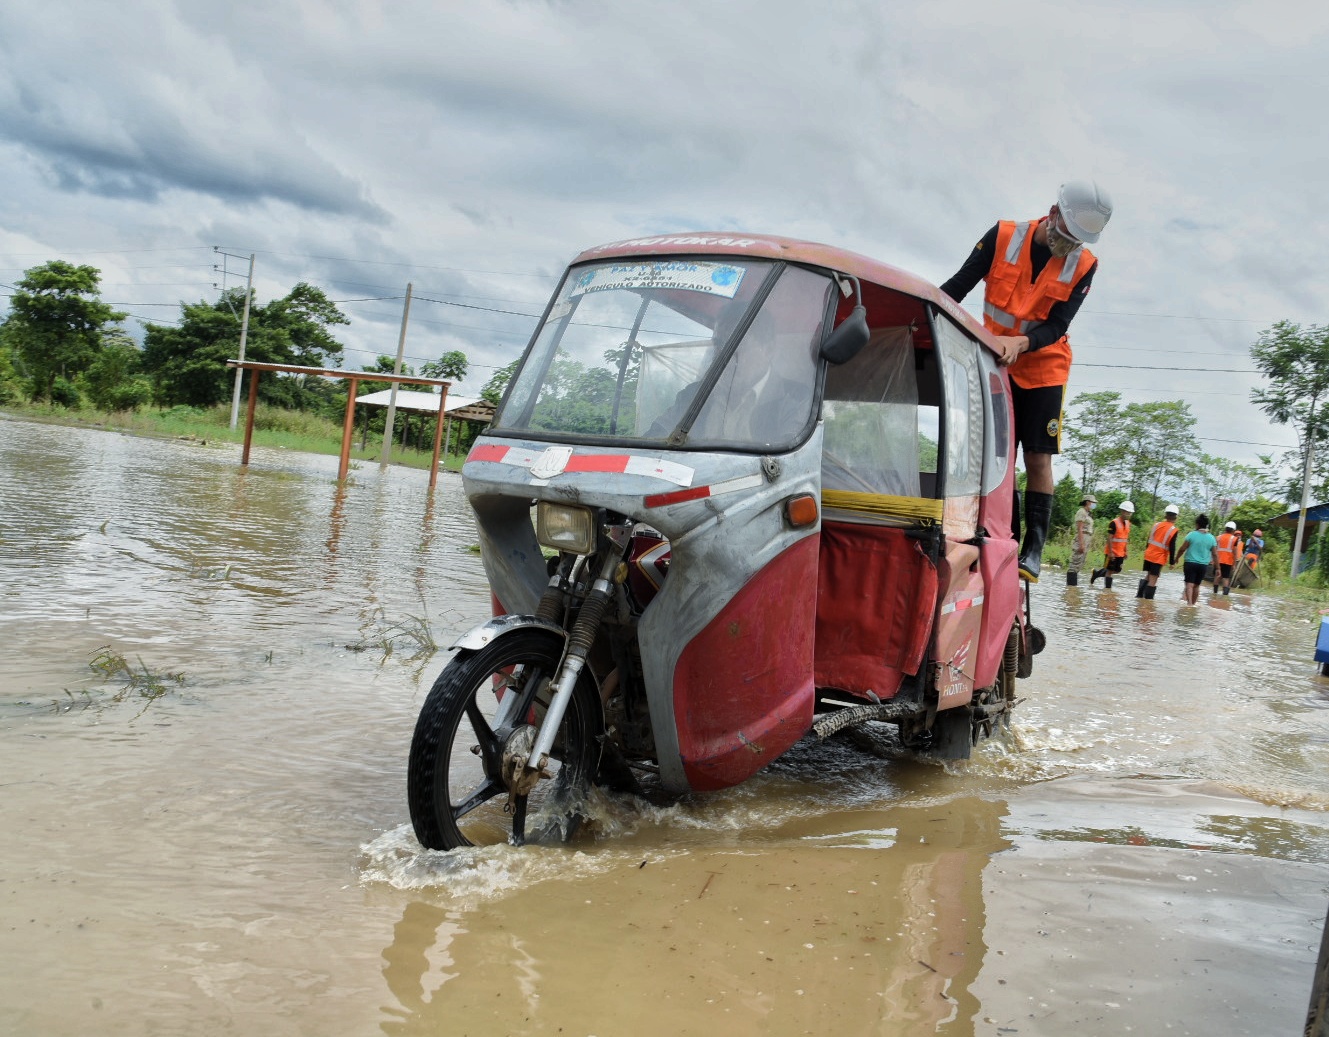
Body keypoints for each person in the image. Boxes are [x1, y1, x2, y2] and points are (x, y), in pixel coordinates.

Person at [940, 180, 1113, 583]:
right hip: (997, 362)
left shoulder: (1085, 265)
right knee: (998, 457)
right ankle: (1004, 536)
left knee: (1037, 457)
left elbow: (1057, 326)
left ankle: (1034, 547)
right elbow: (957, 287)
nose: (1070, 247)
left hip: (1044, 365)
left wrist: (1022, 342)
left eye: (1079, 242)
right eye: (1067, 236)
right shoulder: (1002, 236)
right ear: (1053, 213)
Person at [1174, 513, 1219, 606]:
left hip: (1190, 563)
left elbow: (1182, 549)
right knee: (1197, 586)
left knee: (1189, 585)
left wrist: (1177, 558)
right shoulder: (1211, 538)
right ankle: (1193, 604)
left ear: (1197, 524)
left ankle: (1189, 604)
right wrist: (1217, 568)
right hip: (1203, 566)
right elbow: (1215, 554)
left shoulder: (1191, 535)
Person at [1138, 504, 1180, 599]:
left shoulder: (1156, 525)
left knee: (1148, 575)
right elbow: (1172, 546)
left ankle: (1139, 596)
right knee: (1153, 579)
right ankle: (1147, 602)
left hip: (1149, 554)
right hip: (1158, 557)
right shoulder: (1173, 530)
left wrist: (1147, 551)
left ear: (1165, 515)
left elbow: (1148, 540)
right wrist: (1172, 562)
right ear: (1176, 517)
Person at [1090, 499, 1133, 588]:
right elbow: (1109, 538)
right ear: (1122, 511)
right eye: (1127, 512)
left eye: (1130, 513)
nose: (1128, 514)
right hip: (1112, 552)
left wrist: (1126, 551)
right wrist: (1110, 552)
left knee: (1117, 570)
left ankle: (1097, 573)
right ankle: (1108, 590)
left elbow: (1125, 539)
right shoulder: (1114, 523)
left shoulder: (1128, 524)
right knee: (1109, 571)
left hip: (1120, 552)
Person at [1067, 492, 1097, 585]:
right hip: (1081, 538)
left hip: (1086, 538)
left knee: (1080, 563)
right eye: (1093, 502)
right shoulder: (1081, 512)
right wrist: (1081, 544)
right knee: (1075, 563)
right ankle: (1071, 587)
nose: (1094, 504)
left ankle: (1073, 587)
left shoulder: (1088, 513)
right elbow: (1080, 529)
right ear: (1088, 502)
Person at [1215, 520, 1242, 596]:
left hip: (1218, 560)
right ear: (1233, 530)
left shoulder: (1218, 537)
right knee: (1226, 578)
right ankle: (1225, 595)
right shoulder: (1234, 539)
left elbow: (1215, 549)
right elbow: (1235, 552)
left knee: (1217, 576)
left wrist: (1213, 560)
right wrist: (1234, 564)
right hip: (1228, 561)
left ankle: (1214, 593)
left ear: (1225, 528)